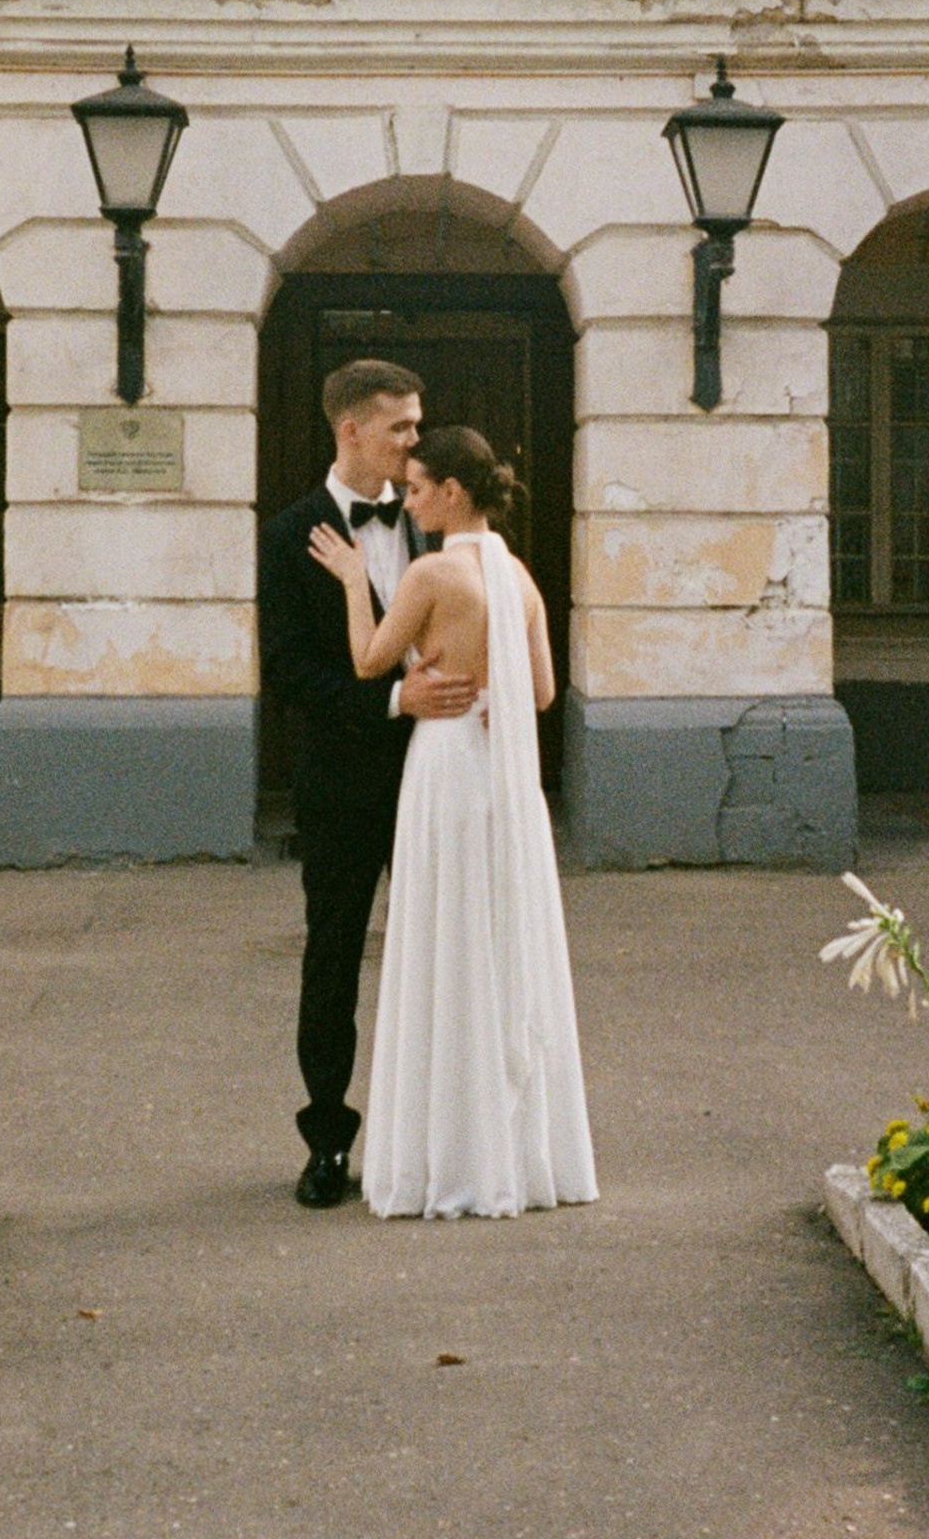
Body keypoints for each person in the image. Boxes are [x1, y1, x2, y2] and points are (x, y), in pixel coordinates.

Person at [309, 425, 596, 1219]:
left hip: (444, 766)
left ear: (452, 492)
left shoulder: (432, 572)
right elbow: (542, 693)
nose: (407, 501)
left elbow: (369, 661)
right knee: (497, 940)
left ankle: (445, 1151)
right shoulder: (520, 578)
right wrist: (490, 688)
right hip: (502, 775)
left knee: (444, 940)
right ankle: (511, 1152)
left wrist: (353, 581)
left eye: (416, 489)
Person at [257, 360, 477, 1209]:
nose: (418, 441)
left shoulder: (432, 517)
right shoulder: (290, 534)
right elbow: (288, 672)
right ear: (351, 430)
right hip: (341, 786)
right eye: (402, 427)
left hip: (435, 776)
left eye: (419, 424)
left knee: (442, 956)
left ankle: (438, 1141)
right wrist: (392, 700)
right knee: (334, 960)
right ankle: (327, 1142)